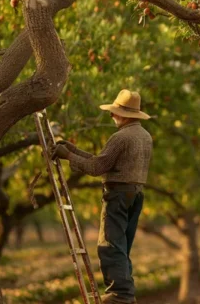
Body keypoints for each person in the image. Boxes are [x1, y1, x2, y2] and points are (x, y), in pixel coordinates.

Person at [51, 89, 153, 304]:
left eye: (114, 112)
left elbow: (98, 167)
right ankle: (126, 293)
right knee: (122, 245)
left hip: (118, 194)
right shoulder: (144, 136)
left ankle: (119, 295)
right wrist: (73, 150)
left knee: (110, 245)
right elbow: (105, 162)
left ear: (125, 115)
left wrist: (68, 155)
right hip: (135, 194)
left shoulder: (120, 137)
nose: (112, 116)